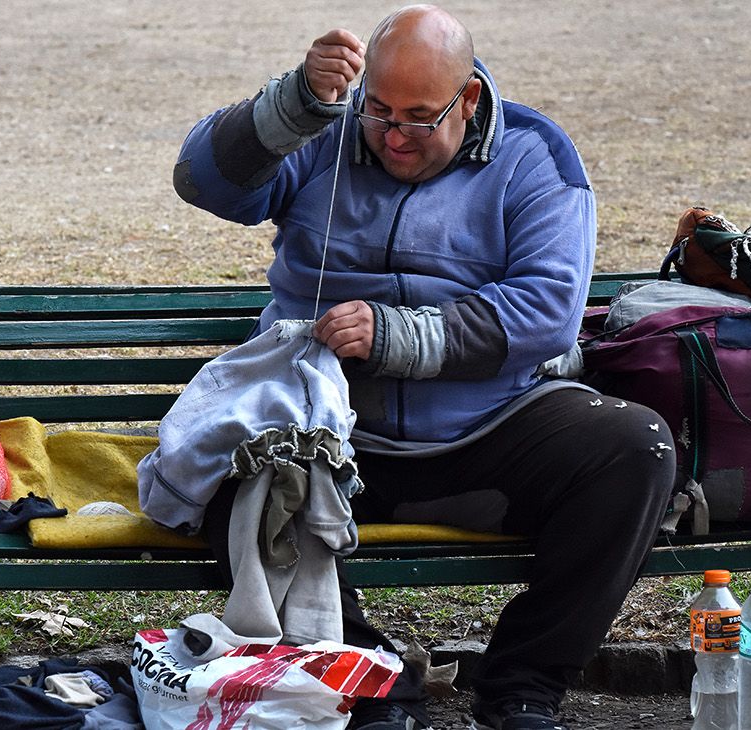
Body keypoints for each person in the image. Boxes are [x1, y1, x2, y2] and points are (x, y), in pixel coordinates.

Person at [173, 5, 676, 730]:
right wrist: (295, 105)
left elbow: (547, 312)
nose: (393, 136)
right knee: (237, 472)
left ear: (467, 99)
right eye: (378, 110)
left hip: (489, 432)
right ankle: (368, 684)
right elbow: (203, 182)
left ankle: (523, 689)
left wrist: (395, 336)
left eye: (418, 117)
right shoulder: (324, 134)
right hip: (328, 433)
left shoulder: (536, 154)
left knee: (636, 449)